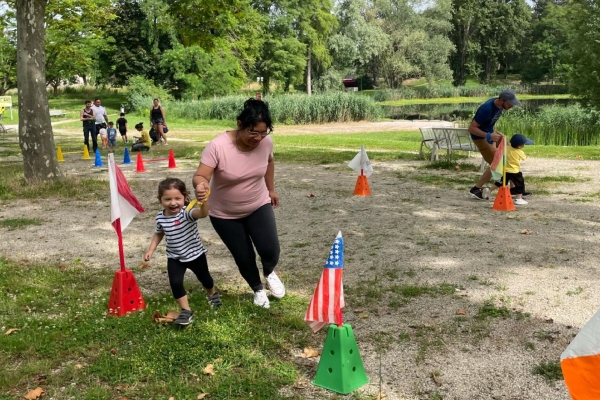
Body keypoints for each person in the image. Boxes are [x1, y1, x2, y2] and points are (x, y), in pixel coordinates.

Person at [192, 99, 284, 309]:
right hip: (224, 214)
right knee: (244, 256)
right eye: (253, 132)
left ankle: (269, 273)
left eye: (263, 133)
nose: (258, 138)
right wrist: (201, 185)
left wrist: (270, 189)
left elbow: (269, 162)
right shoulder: (218, 146)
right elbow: (201, 175)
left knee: (271, 250)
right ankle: (258, 290)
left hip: (258, 203)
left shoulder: (266, 143)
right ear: (240, 123)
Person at [144, 178, 220, 326]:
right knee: (175, 282)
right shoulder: (160, 217)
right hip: (175, 257)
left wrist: (203, 202)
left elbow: (203, 214)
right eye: (168, 199)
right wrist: (151, 250)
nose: (173, 203)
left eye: (177, 198)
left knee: (206, 279)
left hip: (195, 255)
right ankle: (186, 311)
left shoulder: (186, 213)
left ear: (184, 198)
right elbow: (159, 233)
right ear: (160, 200)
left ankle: (212, 293)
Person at [468, 89, 522, 200]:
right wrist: (488, 136)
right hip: (480, 138)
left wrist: (496, 134)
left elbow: (488, 125)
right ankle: (476, 189)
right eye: (510, 103)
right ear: (502, 100)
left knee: (507, 156)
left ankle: (514, 189)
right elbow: (471, 128)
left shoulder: (500, 107)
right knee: (496, 163)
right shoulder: (486, 109)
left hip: (489, 135)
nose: (512, 105)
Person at [492, 134, 533, 205]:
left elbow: (501, 152)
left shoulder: (506, 148)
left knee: (501, 182)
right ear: (519, 146)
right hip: (515, 171)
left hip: (505, 170)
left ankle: (489, 190)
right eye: (523, 144)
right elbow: (524, 158)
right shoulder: (519, 152)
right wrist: (526, 155)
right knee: (520, 184)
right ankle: (518, 198)